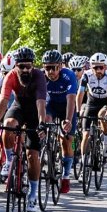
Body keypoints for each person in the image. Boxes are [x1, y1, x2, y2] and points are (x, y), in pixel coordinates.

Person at [0, 46, 47, 212]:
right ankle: (9, 160)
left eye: (28, 66)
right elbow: (3, 100)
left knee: (32, 155)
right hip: (19, 107)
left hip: (35, 111)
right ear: (15, 66)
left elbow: (40, 103)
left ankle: (32, 194)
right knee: (8, 124)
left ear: (33, 65)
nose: (25, 69)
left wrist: (41, 123)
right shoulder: (10, 76)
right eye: (21, 66)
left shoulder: (39, 76)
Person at [41, 49, 78, 194]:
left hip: (66, 107)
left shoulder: (69, 76)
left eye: (53, 67)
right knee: (45, 120)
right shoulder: (42, 77)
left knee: (66, 140)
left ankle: (66, 176)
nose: (50, 71)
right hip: (51, 105)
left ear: (60, 66)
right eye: (47, 67)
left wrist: (68, 120)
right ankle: (46, 148)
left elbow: (71, 100)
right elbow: (40, 100)